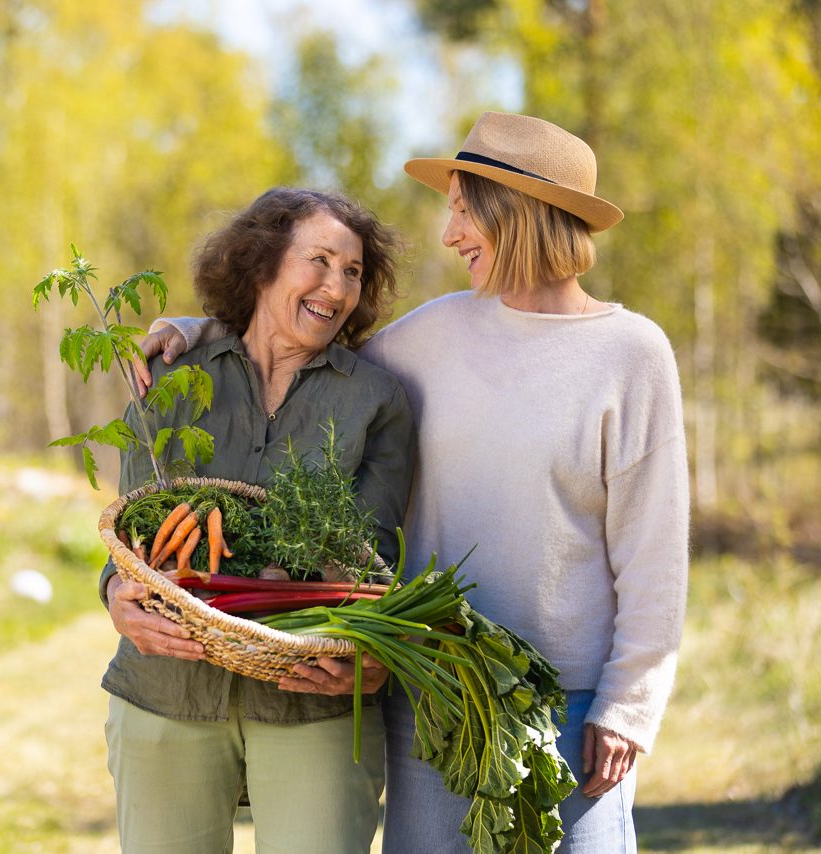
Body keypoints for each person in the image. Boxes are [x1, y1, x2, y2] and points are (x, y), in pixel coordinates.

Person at [138, 112, 690, 852]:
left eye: (464, 209)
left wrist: (629, 705)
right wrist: (195, 330)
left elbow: (655, 553)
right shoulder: (431, 336)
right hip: (432, 690)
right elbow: (299, 337)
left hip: (572, 705)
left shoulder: (631, 354)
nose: (449, 232)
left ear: (514, 213)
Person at [99, 187, 416, 854]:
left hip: (311, 697)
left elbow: (373, 567)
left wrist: (371, 655)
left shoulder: (376, 400)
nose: (337, 285)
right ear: (263, 262)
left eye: (353, 271)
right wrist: (115, 599)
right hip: (168, 690)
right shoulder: (173, 376)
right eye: (319, 260)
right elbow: (126, 541)